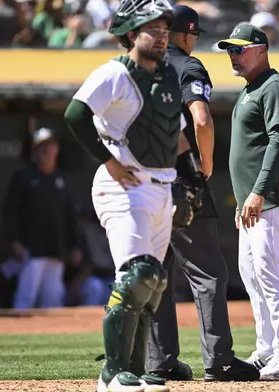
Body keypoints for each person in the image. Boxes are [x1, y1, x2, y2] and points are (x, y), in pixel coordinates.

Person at [63, 0, 190, 390]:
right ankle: (113, 372)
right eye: (154, 30)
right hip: (123, 186)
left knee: (153, 286)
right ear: (132, 34)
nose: (162, 37)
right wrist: (109, 161)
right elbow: (75, 114)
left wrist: (192, 181)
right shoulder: (113, 73)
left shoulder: (168, 75)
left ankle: (134, 370)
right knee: (137, 275)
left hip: (161, 187)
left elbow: (176, 136)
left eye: (166, 31)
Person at [146, 4, 260, 383]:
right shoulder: (187, 67)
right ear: (185, 34)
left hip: (145, 184)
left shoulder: (142, 68)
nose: (195, 40)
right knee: (208, 273)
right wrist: (205, 165)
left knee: (157, 274)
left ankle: (159, 361)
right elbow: (202, 118)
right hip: (182, 181)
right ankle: (220, 359)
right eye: (194, 34)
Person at [216, 23, 279, 379]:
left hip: (268, 200)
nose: (233, 56)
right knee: (252, 275)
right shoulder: (252, 88)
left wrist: (259, 191)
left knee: (270, 274)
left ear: (261, 49)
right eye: (230, 50)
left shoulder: (275, 87)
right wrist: (244, 198)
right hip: (251, 204)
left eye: (239, 49)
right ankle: (267, 349)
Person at [3, 127, 82, 310]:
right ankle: (14, 335)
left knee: (53, 299)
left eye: (50, 145)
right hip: (31, 250)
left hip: (56, 250)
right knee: (26, 298)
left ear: (57, 149)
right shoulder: (23, 178)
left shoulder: (61, 180)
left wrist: (74, 246)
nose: (46, 150)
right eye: (41, 147)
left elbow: (69, 217)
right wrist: (14, 241)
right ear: (34, 151)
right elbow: (10, 213)